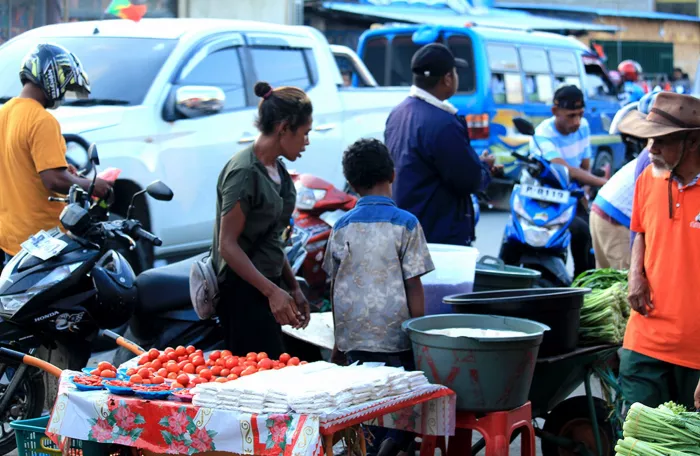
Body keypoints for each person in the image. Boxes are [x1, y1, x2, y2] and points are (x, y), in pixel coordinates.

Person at [323, 138, 434, 456]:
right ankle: (392, 445)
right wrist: (419, 338)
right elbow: (414, 285)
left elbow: (335, 287)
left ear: (352, 183)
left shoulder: (341, 226)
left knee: (364, 406)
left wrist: (337, 343)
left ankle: (372, 447)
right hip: (397, 341)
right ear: (392, 174)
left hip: (354, 340)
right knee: (397, 403)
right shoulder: (406, 224)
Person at [213, 81, 311, 359]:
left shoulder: (277, 169)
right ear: (284, 128)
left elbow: (272, 238)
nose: (307, 141)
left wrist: (292, 286)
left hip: (268, 286)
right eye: (305, 133)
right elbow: (228, 246)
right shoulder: (244, 172)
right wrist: (273, 292)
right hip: (243, 292)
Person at [618, 91, 700, 409]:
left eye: (660, 140)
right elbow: (640, 229)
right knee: (635, 438)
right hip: (644, 340)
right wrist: (635, 274)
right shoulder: (649, 177)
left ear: (692, 142)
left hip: (695, 352)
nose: (650, 149)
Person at [0, 43, 112, 266]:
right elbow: (54, 179)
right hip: (43, 241)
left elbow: (19, 168)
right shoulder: (42, 120)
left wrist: (70, 174)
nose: (63, 93)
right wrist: (93, 185)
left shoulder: (5, 113)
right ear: (52, 76)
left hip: (9, 240)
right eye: (65, 84)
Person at [384, 43, 494, 246]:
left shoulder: (398, 113)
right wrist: (485, 168)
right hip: (437, 234)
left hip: (406, 227)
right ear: (448, 78)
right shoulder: (443, 123)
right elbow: (467, 180)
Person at [530, 85, 608, 278]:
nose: (577, 121)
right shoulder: (543, 134)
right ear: (555, 111)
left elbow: (584, 167)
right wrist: (603, 182)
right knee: (579, 230)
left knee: (592, 231)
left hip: (572, 196)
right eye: (571, 116)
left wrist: (586, 193)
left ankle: (583, 280)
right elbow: (568, 170)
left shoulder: (583, 128)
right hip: (547, 199)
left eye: (580, 115)